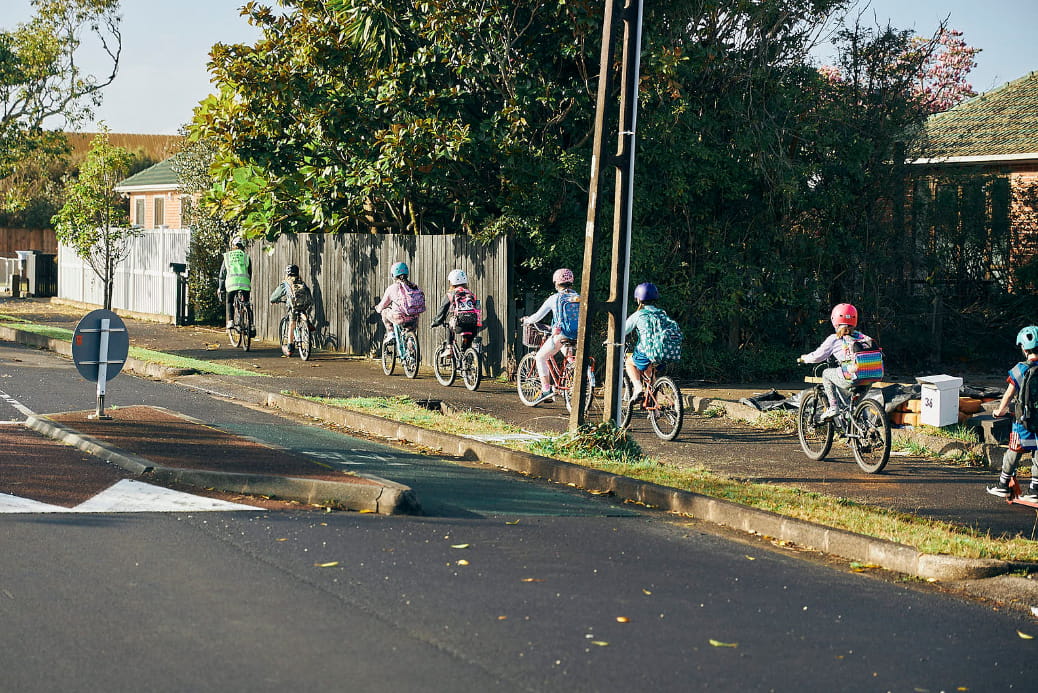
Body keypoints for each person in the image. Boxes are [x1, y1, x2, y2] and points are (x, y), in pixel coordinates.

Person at [798, 303, 875, 420]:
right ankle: (864, 427)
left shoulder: (834, 338)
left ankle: (833, 407)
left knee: (826, 373)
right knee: (855, 405)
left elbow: (818, 356)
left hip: (851, 376)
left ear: (835, 320)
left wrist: (805, 358)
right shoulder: (863, 337)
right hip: (870, 376)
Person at [987, 326, 1038, 501]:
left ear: (1024, 348)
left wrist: (1000, 411)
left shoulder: (1020, 369)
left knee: (1013, 451)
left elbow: (1009, 393)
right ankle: (1035, 490)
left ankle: (1003, 484)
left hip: (1022, 421)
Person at [520, 268, 580, 405]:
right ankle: (572, 370)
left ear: (556, 282)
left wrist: (527, 320)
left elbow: (537, 316)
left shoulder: (554, 298)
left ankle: (546, 390)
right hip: (578, 335)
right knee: (569, 357)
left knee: (540, 357)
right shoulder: (578, 297)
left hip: (560, 334)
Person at [623, 282, 670, 405]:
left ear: (638, 299)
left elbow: (623, 331)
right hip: (664, 351)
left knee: (629, 362)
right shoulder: (662, 313)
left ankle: (638, 387)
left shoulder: (638, 315)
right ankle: (654, 410)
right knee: (650, 375)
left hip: (646, 351)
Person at [429, 269, 481, 351]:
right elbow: (477, 308)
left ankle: (449, 348)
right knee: (467, 345)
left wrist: (436, 321)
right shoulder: (470, 294)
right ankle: (468, 354)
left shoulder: (451, 294)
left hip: (459, 324)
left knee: (449, 326)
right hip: (473, 324)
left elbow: (442, 310)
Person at [373, 261, 425, 341]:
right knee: (410, 333)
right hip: (414, 317)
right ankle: (412, 348)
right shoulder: (414, 286)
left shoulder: (392, 288)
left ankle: (391, 333)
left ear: (393, 275)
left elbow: (383, 305)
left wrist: (378, 308)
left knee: (384, 312)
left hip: (399, 317)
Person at [269, 264, 312, 356]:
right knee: (301, 310)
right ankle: (307, 322)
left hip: (293, 306)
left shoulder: (286, 284)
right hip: (304, 305)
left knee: (292, 324)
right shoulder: (301, 282)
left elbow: (275, 296)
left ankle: (290, 347)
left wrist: (273, 300)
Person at [218, 237, 252, 331]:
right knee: (247, 303)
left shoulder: (227, 256)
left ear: (233, 246)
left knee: (229, 301)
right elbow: (250, 272)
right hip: (245, 283)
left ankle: (231, 321)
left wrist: (220, 288)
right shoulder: (246, 256)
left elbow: (222, 274)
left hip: (231, 283)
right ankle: (251, 324)